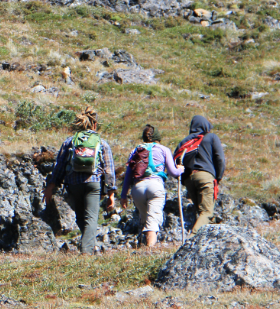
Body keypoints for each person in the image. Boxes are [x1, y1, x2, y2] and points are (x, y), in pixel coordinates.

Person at [44, 107, 116, 254]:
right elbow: (109, 170)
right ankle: (87, 252)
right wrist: (111, 194)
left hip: (74, 183)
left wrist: (50, 186)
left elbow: (59, 167)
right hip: (94, 182)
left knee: (81, 217)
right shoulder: (102, 143)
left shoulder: (70, 142)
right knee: (91, 218)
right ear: (95, 125)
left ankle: (88, 247)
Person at [120, 125, 184, 247]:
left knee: (144, 219)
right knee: (153, 221)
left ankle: (142, 245)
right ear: (158, 138)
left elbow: (128, 175)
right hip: (155, 186)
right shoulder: (163, 149)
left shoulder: (136, 151)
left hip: (138, 188)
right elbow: (173, 172)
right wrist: (180, 169)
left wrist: (123, 196)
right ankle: (149, 251)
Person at [174, 115, 226, 232]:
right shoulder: (211, 137)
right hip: (205, 176)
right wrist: (218, 177)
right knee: (206, 212)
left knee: (201, 213)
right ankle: (192, 239)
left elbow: (177, 161)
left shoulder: (185, 141)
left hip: (188, 179)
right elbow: (220, 159)